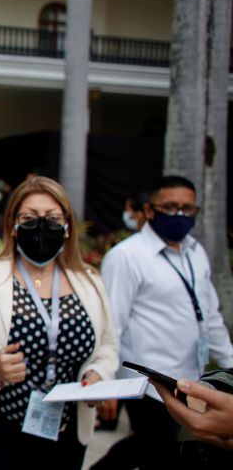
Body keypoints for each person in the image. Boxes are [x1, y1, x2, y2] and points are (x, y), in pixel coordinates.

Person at [0, 176, 118, 470]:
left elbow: (108, 345)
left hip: (64, 433)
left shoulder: (90, 281)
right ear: (13, 224)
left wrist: (98, 374)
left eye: (53, 218)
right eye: (29, 218)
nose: (42, 227)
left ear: (67, 226)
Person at [91, 175, 233, 470]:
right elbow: (111, 323)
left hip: (191, 379)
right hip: (148, 383)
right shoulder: (126, 257)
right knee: (157, 447)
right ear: (150, 210)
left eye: (187, 208)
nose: (180, 214)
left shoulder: (196, 252)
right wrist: (106, 384)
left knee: (158, 447)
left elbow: (210, 315)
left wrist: (229, 361)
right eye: (171, 207)